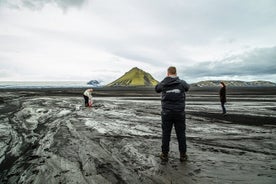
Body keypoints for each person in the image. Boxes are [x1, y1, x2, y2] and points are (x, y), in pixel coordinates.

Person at [155, 66, 190, 162]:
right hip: (179, 113)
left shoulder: (164, 83)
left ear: (167, 73)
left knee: (166, 134)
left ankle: (164, 154)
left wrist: (165, 80)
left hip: (167, 113)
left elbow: (157, 88)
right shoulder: (181, 83)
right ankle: (183, 155)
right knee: (181, 134)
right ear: (176, 73)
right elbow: (187, 87)